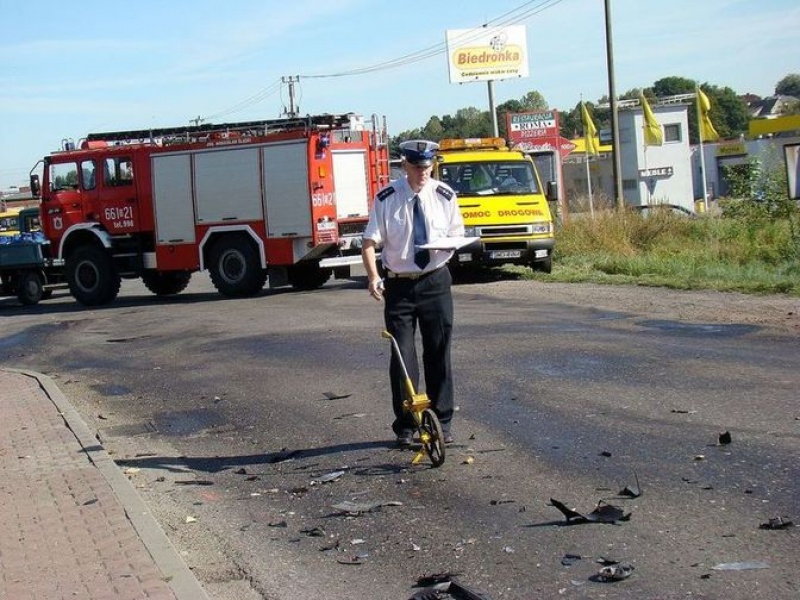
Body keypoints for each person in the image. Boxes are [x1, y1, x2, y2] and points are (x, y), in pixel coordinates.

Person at [362, 140, 465, 447]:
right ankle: (407, 425)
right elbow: (369, 241)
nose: (423, 173)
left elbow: (457, 234)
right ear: (404, 165)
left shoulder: (444, 196)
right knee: (403, 358)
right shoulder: (387, 198)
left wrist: (450, 244)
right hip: (400, 286)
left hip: (435, 281)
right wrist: (372, 278)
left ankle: (441, 423)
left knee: (438, 352)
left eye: (427, 167)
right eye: (417, 167)